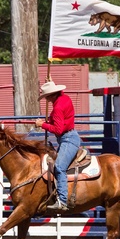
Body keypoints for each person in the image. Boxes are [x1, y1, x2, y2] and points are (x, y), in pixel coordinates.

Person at [35, 81, 81, 211]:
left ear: (52, 95)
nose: (47, 100)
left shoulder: (57, 108)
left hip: (67, 139)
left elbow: (58, 129)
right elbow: (59, 120)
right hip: (70, 136)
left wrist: (42, 125)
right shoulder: (64, 98)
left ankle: (62, 201)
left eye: (47, 96)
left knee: (59, 167)